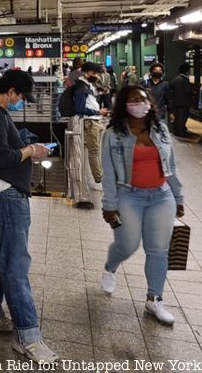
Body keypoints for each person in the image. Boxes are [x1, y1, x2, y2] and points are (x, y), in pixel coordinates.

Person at [0, 70, 57, 364]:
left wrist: (22, 143)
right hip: (7, 199)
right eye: (20, 96)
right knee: (16, 266)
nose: (21, 101)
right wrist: (31, 150)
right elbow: (2, 158)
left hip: (1, 197)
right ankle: (29, 338)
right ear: (10, 91)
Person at [100, 85, 184, 325]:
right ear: (124, 105)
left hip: (161, 196)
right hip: (129, 195)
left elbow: (172, 167)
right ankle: (111, 265)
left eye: (144, 99)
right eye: (134, 100)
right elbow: (108, 173)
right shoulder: (113, 135)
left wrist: (178, 197)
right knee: (127, 244)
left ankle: (154, 299)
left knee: (158, 250)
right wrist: (109, 204)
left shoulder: (161, 130)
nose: (141, 103)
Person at [73, 62, 110, 199]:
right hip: (90, 122)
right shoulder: (81, 87)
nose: (96, 76)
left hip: (95, 120)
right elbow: (80, 108)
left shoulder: (87, 85)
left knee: (96, 150)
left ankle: (99, 176)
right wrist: (97, 111)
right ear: (86, 72)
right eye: (94, 73)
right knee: (94, 151)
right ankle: (98, 180)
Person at [169, 63, 195, 138]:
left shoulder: (175, 79)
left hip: (176, 102)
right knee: (183, 118)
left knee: (177, 118)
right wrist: (193, 93)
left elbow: (171, 89)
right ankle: (182, 132)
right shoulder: (185, 80)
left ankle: (177, 131)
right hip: (184, 103)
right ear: (187, 71)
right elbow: (187, 91)